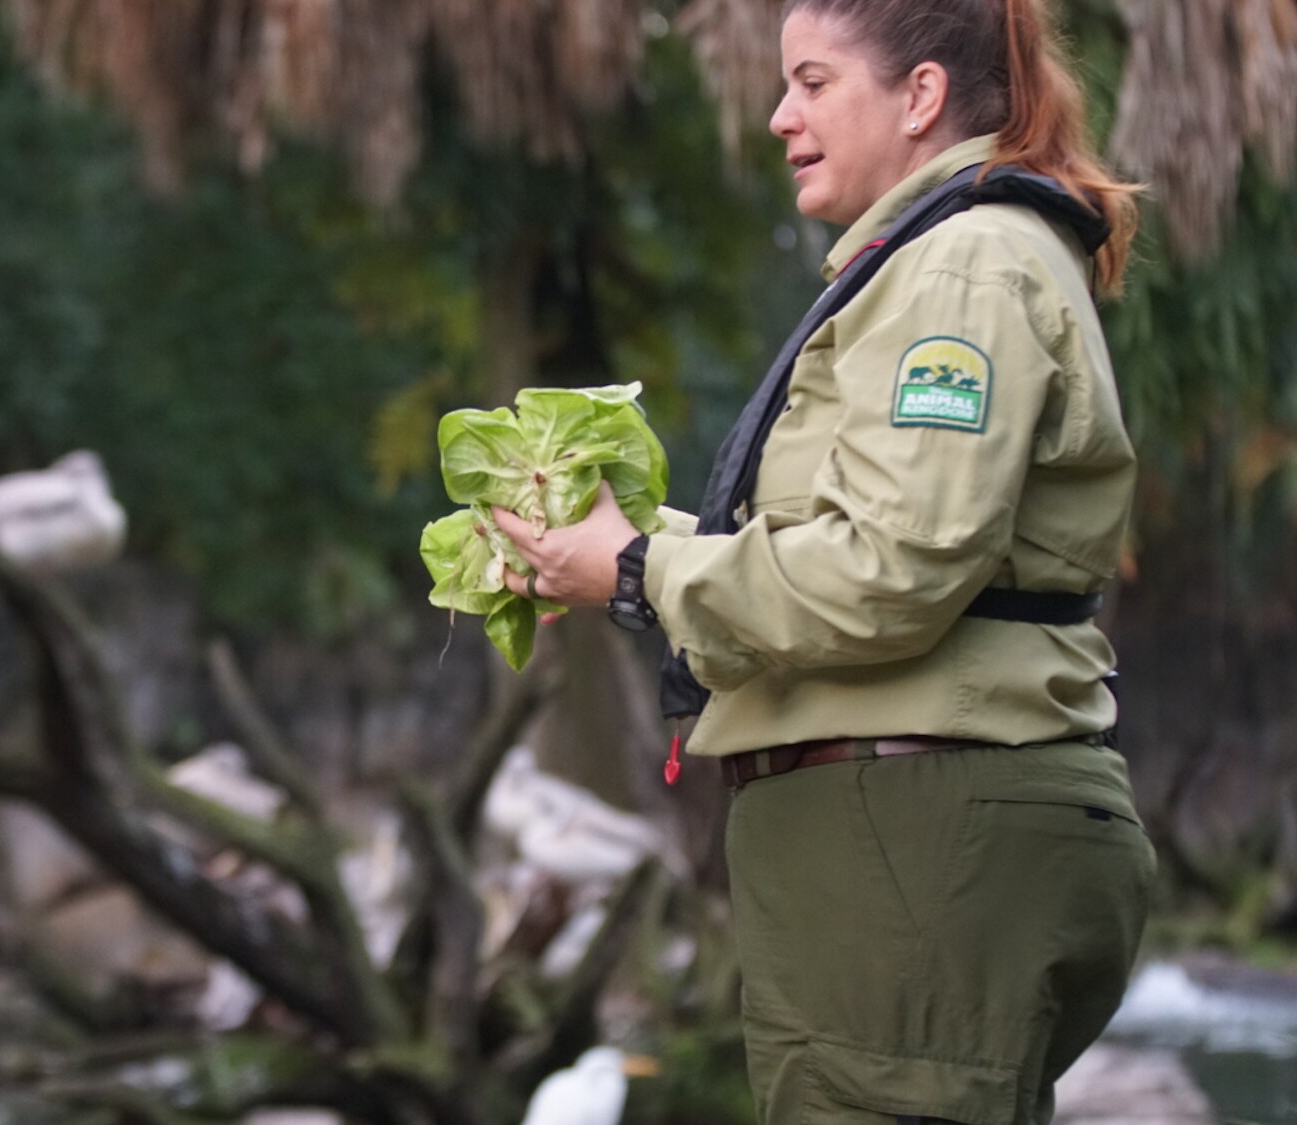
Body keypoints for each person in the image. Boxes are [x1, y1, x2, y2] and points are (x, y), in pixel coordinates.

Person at [487, 1, 1156, 1122]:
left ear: (920, 96)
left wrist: (644, 573)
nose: (776, 115)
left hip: (913, 844)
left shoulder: (962, 270)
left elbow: (892, 571)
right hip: (908, 845)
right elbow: (875, 548)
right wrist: (617, 554)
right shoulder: (938, 261)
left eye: (809, 81)